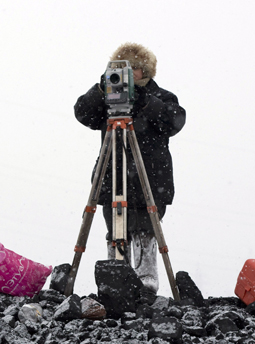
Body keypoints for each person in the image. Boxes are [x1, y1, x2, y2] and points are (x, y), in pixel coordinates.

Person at [74, 42, 186, 293]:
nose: (126, 72)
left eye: (133, 67)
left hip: (150, 177)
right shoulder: (108, 95)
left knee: (146, 229)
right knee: (115, 228)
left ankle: (146, 279)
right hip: (112, 174)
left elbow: (174, 121)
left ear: (145, 72)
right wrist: (101, 88)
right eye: (120, 66)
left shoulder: (161, 97)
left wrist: (144, 101)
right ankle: (116, 278)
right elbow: (82, 113)